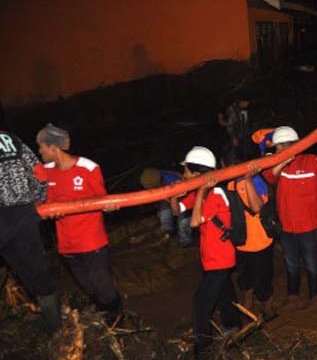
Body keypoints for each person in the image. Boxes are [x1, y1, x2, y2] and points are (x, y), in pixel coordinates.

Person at [35, 123, 122, 325]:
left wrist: (109, 205)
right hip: (67, 245)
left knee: (103, 287)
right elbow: (41, 200)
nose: (39, 151)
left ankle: (117, 320)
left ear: (53, 148)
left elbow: (103, 198)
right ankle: (103, 320)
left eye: (41, 146)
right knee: (88, 287)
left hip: (92, 242)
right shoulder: (44, 171)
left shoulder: (89, 168)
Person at [170, 146, 241, 356]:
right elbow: (178, 210)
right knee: (224, 294)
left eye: (187, 172)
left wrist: (199, 192)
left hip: (220, 258)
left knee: (200, 305)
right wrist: (175, 195)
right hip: (212, 257)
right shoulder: (203, 192)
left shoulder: (215, 194)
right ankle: (233, 326)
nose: (184, 176)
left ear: (198, 174)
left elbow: (193, 222)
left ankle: (204, 350)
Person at [263, 126, 317, 308]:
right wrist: (283, 160)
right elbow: (269, 177)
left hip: (308, 225)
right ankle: (293, 295)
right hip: (287, 226)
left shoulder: (311, 161)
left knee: (311, 263)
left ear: (286, 146)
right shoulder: (276, 164)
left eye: (278, 147)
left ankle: (314, 295)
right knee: (291, 263)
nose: (276, 151)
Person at [0, 128, 60, 333]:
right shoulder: (11, 138)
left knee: (25, 270)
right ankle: (54, 327)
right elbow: (38, 171)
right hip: (24, 214)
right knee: (36, 271)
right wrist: (38, 199)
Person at [221, 148, 276, 320]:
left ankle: (267, 309)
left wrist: (248, 180)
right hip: (241, 240)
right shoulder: (228, 183)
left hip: (261, 241)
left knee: (264, 278)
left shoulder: (255, 180)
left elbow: (257, 207)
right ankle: (248, 303)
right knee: (245, 276)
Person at [140, 168, 193, 247]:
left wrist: (172, 200)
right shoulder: (151, 176)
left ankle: (185, 242)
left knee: (183, 221)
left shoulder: (172, 180)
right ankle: (168, 232)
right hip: (167, 195)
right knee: (164, 214)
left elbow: (184, 196)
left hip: (182, 196)